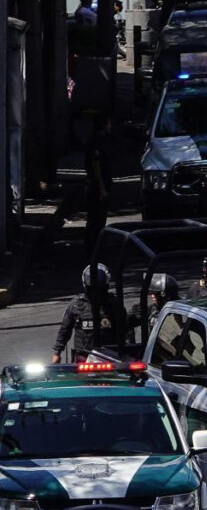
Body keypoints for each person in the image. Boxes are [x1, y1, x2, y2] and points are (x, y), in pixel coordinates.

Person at [53, 265, 127, 363]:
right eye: (92, 289)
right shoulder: (77, 305)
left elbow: (125, 329)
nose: (96, 293)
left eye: (100, 289)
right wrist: (57, 353)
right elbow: (65, 330)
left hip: (110, 356)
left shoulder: (114, 304)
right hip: (84, 358)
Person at [83, 115, 113, 255]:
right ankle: (92, 251)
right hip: (96, 187)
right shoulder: (96, 142)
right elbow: (95, 165)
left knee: (98, 220)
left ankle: (95, 249)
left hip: (99, 186)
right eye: (108, 124)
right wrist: (102, 189)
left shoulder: (101, 141)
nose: (110, 127)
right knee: (96, 220)